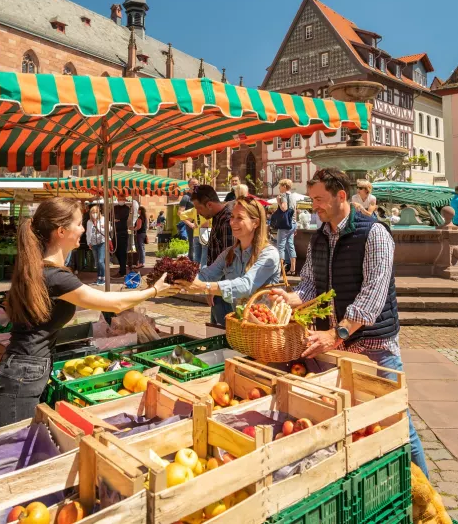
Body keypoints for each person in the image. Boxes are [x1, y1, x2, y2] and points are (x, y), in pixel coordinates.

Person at [270, 167, 428, 477]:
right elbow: (311, 286)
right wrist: (291, 298)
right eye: (312, 199)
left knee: (398, 426)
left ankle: (432, 509)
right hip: (339, 350)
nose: (313, 206)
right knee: (355, 424)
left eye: (319, 199)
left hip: (375, 348)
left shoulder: (374, 234)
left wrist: (335, 332)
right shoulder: (319, 238)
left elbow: (371, 298)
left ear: (341, 196)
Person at [0, 197, 177, 430]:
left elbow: (76, 303)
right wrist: (153, 290)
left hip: (18, 371)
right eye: (79, 223)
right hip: (20, 379)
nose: (84, 228)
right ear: (61, 231)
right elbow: (112, 303)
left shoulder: (37, 270)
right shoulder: (55, 277)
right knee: (14, 455)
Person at [178, 196, 280, 325]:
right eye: (232, 217)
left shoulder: (269, 254)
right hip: (240, 326)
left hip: (264, 330)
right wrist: (177, 279)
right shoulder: (229, 253)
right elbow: (206, 274)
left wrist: (207, 287)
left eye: (240, 218)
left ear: (256, 223)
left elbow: (246, 285)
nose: (232, 222)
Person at [191, 185, 233, 266]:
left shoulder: (226, 221)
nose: (198, 213)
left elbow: (228, 262)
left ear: (209, 205)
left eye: (199, 208)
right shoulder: (217, 217)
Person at [275, 178, 297, 275]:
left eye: (280, 186)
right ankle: (293, 269)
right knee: (290, 246)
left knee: (280, 246)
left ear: (284, 186)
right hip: (292, 223)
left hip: (284, 225)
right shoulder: (293, 196)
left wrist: (278, 201)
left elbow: (284, 208)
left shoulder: (283, 195)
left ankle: (280, 270)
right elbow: (295, 211)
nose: (279, 188)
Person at [86, 205, 108, 286]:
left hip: (102, 242)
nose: (94, 214)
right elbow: (88, 233)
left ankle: (103, 277)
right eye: (92, 212)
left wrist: (102, 227)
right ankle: (99, 277)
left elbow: (110, 228)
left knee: (100, 261)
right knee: (97, 262)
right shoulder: (89, 222)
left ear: (98, 213)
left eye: (95, 212)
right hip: (93, 243)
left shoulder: (103, 219)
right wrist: (89, 243)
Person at [178, 178, 199, 261]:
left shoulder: (199, 196)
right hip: (191, 226)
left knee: (201, 245)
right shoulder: (186, 197)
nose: (195, 185)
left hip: (201, 225)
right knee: (192, 245)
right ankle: (193, 264)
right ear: (189, 185)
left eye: (197, 184)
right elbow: (180, 213)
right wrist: (190, 224)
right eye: (193, 184)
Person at [113, 194, 130, 279]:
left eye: (122, 199)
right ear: (117, 199)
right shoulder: (114, 207)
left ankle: (122, 271)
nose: (121, 200)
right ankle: (121, 268)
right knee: (115, 251)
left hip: (123, 232)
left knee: (122, 253)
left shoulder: (126, 208)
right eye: (120, 198)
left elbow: (123, 217)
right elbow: (110, 217)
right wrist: (115, 219)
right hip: (115, 232)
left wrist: (116, 219)